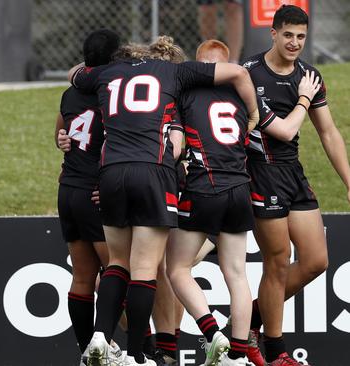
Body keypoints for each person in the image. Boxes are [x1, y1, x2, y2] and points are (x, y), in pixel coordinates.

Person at [68, 35, 259, 366]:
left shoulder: (106, 73)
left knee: (116, 263)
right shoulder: (174, 74)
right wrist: (254, 114)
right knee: (148, 269)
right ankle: (139, 355)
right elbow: (238, 77)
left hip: (111, 173)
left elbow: (75, 73)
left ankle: (99, 337)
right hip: (160, 174)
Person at [166, 39, 321, 366]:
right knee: (237, 274)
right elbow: (285, 130)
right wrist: (304, 99)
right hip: (240, 191)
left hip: (203, 187)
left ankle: (211, 333)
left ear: (197, 65)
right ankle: (237, 354)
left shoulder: (183, 94)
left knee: (178, 268)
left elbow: (175, 146)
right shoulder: (245, 94)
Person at [242, 5, 350, 366]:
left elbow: (328, 132)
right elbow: (286, 130)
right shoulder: (249, 74)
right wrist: (303, 98)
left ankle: (247, 322)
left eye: (301, 37)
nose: (294, 43)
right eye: (288, 35)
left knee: (317, 261)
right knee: (277, 262)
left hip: (293, 173)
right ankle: (276, 353)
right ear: (273, 34)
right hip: (261, 172)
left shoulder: (309, 74)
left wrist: (349, 181)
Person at [55, 29, 125, 366]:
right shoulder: (110, 95)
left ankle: (87, 351)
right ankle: (104, 342)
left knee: (82, 275)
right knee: (116, 269)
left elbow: (60, 132)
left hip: (67, 188)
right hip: (95, 191)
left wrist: (63, 141)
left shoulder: (70, 93)